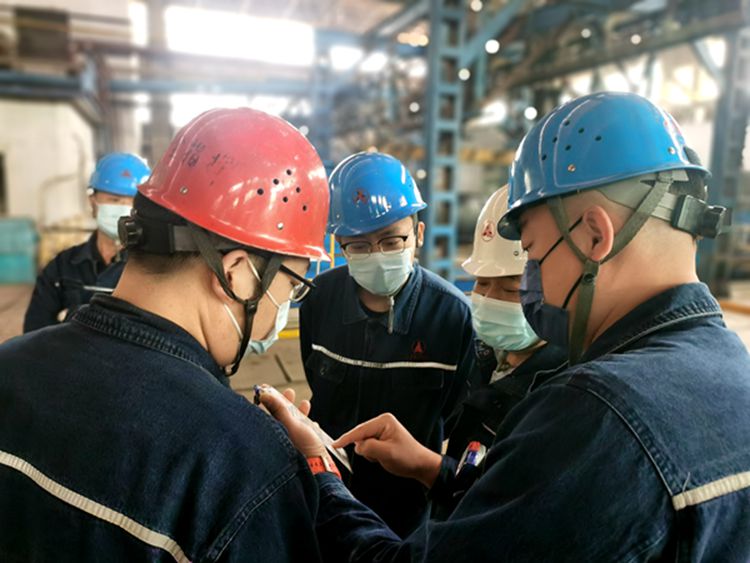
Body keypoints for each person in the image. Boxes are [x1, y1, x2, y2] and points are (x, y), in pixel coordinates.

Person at [261, 92, 750, 561]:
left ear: (595, 235)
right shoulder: (734, 373)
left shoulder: (595, 413)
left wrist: (319, 469)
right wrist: (436, 470)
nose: (530, 286)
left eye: (533, 255)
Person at [0, 108, 331, 561]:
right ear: (236, 273)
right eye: (291, 286)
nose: (285, 306)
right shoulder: (245, 469)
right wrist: (264, 450)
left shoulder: (9, 365)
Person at [299, 151, 478, 536]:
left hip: (406, 512)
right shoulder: (319, 300)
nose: (377, 256)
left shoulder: (452, 317)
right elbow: (314, 379)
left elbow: (454, 414)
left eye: (391, 240)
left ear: (419, 234)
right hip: (328, 496)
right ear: (340, 244)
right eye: (359, 246)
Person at [430, 185, 565, 519]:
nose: (488, 299)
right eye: (481, 283)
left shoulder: (560, 392)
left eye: (509, 288)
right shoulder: (483, 356)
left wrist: (430, 468)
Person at [23, 152, 150, 332]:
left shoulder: (153, 269)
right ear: (93, 202)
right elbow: (35, 330)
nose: (124, 209)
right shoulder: (63, 267)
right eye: (114, 200)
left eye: (133, 202)